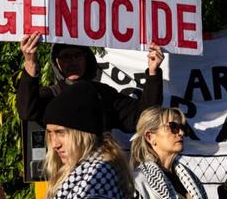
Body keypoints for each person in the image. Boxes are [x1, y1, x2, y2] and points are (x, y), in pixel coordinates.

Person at [16, 33, 165, 132]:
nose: (72, 62)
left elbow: (143, 117)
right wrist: (30, 63)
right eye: (66, 57)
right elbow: (27, 111)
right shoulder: (50, 95)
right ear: (57, 62)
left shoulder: (104, 94)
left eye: (77, 56)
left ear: (87, 59)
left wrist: (153, 73)